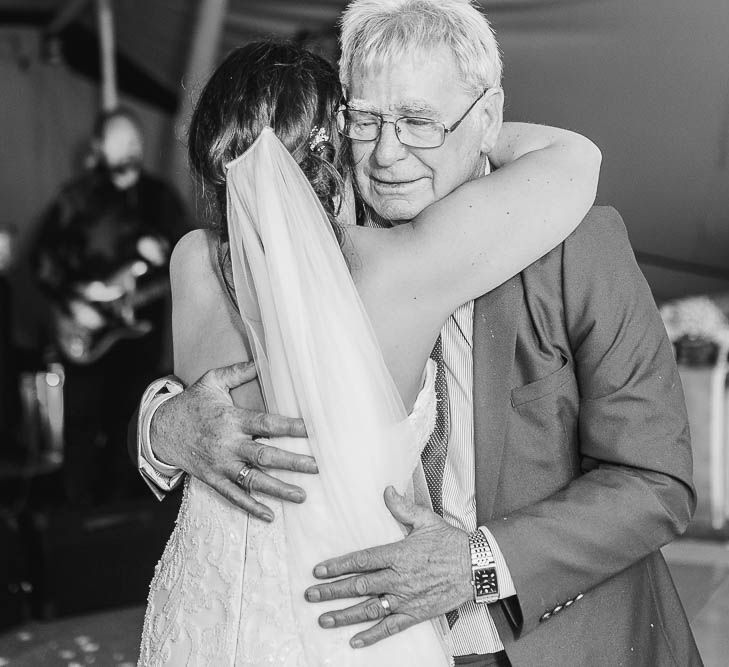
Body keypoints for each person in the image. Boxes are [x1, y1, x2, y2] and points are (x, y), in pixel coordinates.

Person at [134, 2, 700, 666]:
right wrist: (162, 427)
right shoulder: (358, 255)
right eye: (367, 118)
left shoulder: (576, 244)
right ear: (330, 129)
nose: (388, 151)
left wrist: (479, 563)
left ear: (486, 118)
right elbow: (209, 394)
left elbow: (656, 481)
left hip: (553, 642)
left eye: (418, 121)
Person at [31, 107, 191, 503]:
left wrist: (164, 257)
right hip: (85, 335)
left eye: (135, 140)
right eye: (120, 141)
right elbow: (42, 260)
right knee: (83, 425)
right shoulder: (76, 199)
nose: (130, 149)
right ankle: (78, 515)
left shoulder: (159, 199)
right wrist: (75, 300)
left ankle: (124, 517)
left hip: (139, 339)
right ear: (100, 147)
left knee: (134, 421)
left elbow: (187, 257)